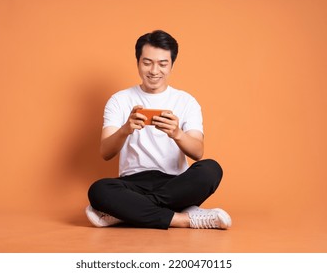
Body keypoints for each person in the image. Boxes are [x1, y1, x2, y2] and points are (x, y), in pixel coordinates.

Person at [86, 30, 231, 230]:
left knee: (211, 169)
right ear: (138, 62)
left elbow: (198, 152)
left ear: (172, 65)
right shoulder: (119, 100)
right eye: (147, 62)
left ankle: (126, 213)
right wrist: (125, 130)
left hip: (175, 184)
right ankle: (185, 218)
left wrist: (177, 134)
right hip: (133, 184)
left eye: (163, 64)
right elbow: (105, 153)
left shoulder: (186, 101)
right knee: (99, 190)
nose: (154, 70)